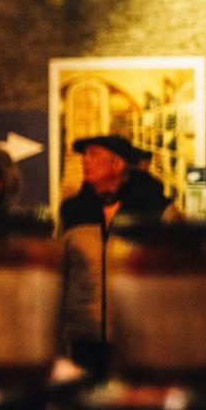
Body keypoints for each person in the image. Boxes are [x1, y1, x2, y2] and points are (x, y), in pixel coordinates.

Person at [58, 134, 176, 376]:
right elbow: (62, 269)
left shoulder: (156, 210)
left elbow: (176, 274)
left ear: (118, 164)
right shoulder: (74, 211)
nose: (85, 161)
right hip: (83, 338)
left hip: (139, 336)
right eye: (85, 155)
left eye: (94, 155)